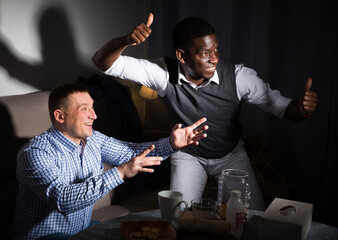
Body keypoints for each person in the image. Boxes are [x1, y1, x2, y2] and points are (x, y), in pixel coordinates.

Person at [92, 13, 318, 211]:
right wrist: (127, 40)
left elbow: (285, 110)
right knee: (177, 217)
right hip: (188, 156)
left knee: (252, 219)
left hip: (231, 156)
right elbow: (102, 62)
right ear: (182, 56)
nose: (215, 59)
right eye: (205, 53)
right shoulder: (163, 74)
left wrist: (302, 108)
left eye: (216, 50)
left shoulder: (239, 77)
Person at [9, 83, 208, 240]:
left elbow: (132, 153)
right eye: (84, 109)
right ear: (60, 116)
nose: (94, 115)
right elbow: (63, 199)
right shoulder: (35, 153)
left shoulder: (93, 139)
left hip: (82, 229)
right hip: (44, 236)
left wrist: (171, 144)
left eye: (93, 107)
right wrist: (120, 172)